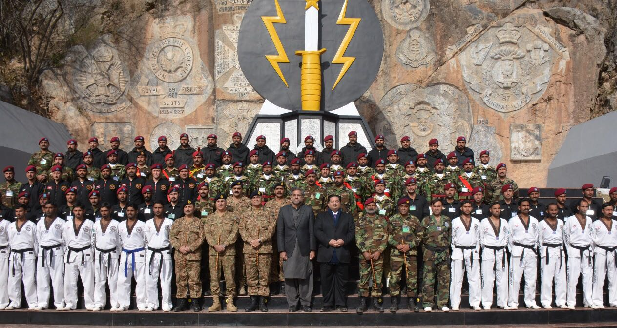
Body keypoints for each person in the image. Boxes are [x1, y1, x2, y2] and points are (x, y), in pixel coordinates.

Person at [277, 188, 316, 312]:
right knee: (289, 276)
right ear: (290, 197)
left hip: (304, 247)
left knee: (305, 276)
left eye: (299, 195)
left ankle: (306, 303)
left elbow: (312, 231)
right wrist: (281, 250)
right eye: (294, 195)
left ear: (303, 197)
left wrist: (313, 249)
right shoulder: (283, 210)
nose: (296, 197)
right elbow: (280, 232)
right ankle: (293, 303)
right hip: (289, 248)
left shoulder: (308, 210)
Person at [314, 194, 354, 312]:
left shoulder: (348, 217)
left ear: (340, 203)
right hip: (326, 252)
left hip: (342, 252)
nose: (335, 203)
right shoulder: (321, 216)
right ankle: (327, 304)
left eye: (337, 201)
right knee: (326, 281)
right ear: (328, 204)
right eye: (332, 201)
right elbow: (317, 231)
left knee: (342, 282)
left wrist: (344, 241)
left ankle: (341, 304)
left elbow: (351, 232)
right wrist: (328, 241)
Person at [239, 191, 276, 312]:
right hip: (250, 249)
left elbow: (271, 230)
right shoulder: (245, 214)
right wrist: (250, 240)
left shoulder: (269, 213)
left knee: (264, 276)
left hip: (264, 249)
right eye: (253, 197)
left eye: (258, 197)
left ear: (262, 199)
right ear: (250, 200)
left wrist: (260, 240)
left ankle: (263, 301)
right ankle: (253, 300)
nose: (255, 199)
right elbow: (241, 229)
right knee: (251, 276)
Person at [203, 195, 237, 312]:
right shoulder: (210, 218)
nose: (220, 203)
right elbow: (207, 233)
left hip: (228, 251)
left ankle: (230, 301)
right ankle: (216, 301)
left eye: (223, 201)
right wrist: (214, 245)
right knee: (214, 276)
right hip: (214, 252)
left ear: (226, 203)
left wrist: (224, 245)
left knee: (229, 276)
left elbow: (234, 232)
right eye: (218, 201)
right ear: (215, 203)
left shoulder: (232, 217)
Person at [388, 198, 422, 312]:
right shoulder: (392, 219)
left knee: (411, 277)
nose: (403, 208)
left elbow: (420, 235)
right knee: (394, 277)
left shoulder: (414, 220)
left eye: (406, 206)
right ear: (398, 207)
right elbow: (387, 235)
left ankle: (411, 300)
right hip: (396, 253)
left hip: (410, 253)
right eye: (401, 206)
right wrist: (396, 245)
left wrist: (410, 245)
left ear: (408, 208)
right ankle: (394, 301)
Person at [355, 198, 388, 313]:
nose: (371, 207)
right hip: (365, 255)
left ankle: (376, 301)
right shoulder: (361, 221)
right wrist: (364, 251)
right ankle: (363, 301)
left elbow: (385, 237)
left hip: (378, 255)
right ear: (365, 206)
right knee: (364, 279)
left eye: (373, 205)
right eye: (369, 205)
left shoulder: (382, 220)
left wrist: (379, 251)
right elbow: (358, 237)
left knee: (377, 279)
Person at [507, 198, 540, 309]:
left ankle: (530, 301)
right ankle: (513, 302)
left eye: (527, 205)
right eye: (523, 205)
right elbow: (509, 237)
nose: (526, 207)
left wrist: (533, 249)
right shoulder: (513, 221)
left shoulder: (535, 221)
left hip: (530, 251)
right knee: (515, 278)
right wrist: (513, 250)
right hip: (518, 250)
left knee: (531, 278)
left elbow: (537, 237)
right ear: (519, 207)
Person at [61, 202, 95, 311]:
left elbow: (93, 240)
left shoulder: (90, 224)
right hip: (71, 253)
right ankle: (70, 303)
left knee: (88, 280)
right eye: (75, 211)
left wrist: (91, 253)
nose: (78, 213)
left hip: (85, 252)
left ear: (84, 211)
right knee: (69, 281)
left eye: (79, 210)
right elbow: (64, 240)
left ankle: (89, 303)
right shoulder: (67, 224)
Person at [421, 198, 451, 312]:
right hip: (430, 253)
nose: (437, 208)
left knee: (444, 279)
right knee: (429, 279)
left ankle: (442, 303)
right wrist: (427, 250)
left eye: (439, 206)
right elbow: (421, 237)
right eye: (435, 206)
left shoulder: (447, 220)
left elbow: (450, 236)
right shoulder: (426, 220)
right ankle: (428, 303)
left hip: (443, 253)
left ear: (442, 207)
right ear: (431, 207)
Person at [450, 200, 481, 311]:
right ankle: (455, 303)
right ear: (461, 208)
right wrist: (455, 250)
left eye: (469, 206)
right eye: (465, 206)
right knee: (457, 278)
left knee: (474, 278)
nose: (467, 208)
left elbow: (479, 238)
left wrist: (476, 251)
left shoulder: (477, 222)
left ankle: (475, 302)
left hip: (472, 251)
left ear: (472, 208)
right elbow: (452, 238)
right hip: (459, 251)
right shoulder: (455, 221)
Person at [6, 205, 38, 310]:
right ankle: (14, 301)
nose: (18, 213)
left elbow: (35, 241)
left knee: (29, 278)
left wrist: (35, 254)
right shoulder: (10, 226)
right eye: (17, 211)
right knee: (13, 279)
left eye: (20, 211)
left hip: (28, 253)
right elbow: (9, 241)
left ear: (25, 211)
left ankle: (32, 302)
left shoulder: (31, 225)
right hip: (15, 254)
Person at [116, 203, 147, 311]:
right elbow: (118, 241)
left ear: (136, 211)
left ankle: (141, 303)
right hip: (125, 253)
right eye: (128, 210)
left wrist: (145, 254)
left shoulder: (142, 225)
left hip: (139, 253)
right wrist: (121, 253)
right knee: (122, 280)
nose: (129, 212)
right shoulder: (120, 225)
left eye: (132, 210)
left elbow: (146, 241)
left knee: (141, 279)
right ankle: (123, 303)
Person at [145, 201, 174, 312]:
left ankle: (166, 303)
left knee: (166, 279)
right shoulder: (148, 223)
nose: (158, 209)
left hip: (165, 252)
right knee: (151, 279)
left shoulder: (169, 222)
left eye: (160, 207)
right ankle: (152, 303)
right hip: (151, 253)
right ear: (153, 209)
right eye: (156, 207)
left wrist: (167, 250)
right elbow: (146, 239)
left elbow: (172, 239)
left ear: (164, 209)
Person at [479, 202, 509, 310]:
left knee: (502, 278)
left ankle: (502, 302)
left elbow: (507, 236)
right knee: (488, 277)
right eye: (495, 208)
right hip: (488, 249)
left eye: (498, 208)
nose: (497, 210)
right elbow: (481, 238)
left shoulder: (504, 222)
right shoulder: (484, 222)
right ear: (490, 210)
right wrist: (486, 248)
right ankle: (487, 302)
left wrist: (502, 245)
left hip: (501, 250)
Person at [564, 199, 593, 309]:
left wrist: (590, 249)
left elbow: (591, 235)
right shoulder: (571, 220)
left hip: (586, 250)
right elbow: (566, 236)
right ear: (578, 207)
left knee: (588, 276)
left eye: (586, 207)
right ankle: (571, 302)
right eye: (583, 206)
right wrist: (569, 250)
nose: (585, 209)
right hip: (574, 249)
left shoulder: (589, 220)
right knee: (572, 276)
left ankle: (588, 301)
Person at [35, 202, 65, 310]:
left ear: (55, 208)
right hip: (43, 251)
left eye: (51, 207)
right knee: (42, 278)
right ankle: (42, 302)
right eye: (46, 208)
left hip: (56, 250)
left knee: (57, 278)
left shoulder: (61, 222)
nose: (48, 210)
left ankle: (59, 302)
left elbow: (65, 239)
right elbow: (37, 239)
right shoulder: (40, 223)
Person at [92, 203, 121, 311]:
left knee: (113, 280)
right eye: (102, 210)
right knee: (99, 279)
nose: (104, 213)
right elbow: (93, 240)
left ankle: (115, 303)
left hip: (112, 253)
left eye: (106, 210)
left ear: (110, 211)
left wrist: (118, 254)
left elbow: (119, 241)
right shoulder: (95, 224)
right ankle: (99, 303)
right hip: (99, 253)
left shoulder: (116, 224)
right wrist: (94, 253)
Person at [539, 203, 567, 309]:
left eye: (555, 210)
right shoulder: (541, 223)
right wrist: (543, 251)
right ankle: (546, 301)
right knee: (547, 277)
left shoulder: (561, 222)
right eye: (551, 210)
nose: (554, 212)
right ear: (547, 211)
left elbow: (565, 237)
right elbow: (539, 239)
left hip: (559, 250)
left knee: (561, 277)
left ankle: (561, 301)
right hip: (547, 250)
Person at [591, 203, 617, 308]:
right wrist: (592, 253)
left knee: (614, 277)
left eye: (611, 210)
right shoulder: (596, 223)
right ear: (603, 210)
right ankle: (597, 301)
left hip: (613, 251)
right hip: (601, 250)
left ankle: (614, 301)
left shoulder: (615, 223)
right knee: (599, 276)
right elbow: (592, 239)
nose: (609, 212)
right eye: (607, 210)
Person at [0, 202, 9, 309]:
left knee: (2, 278)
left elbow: (10, 239)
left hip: (2, 251)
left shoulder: (6, 224)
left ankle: (3, 301)